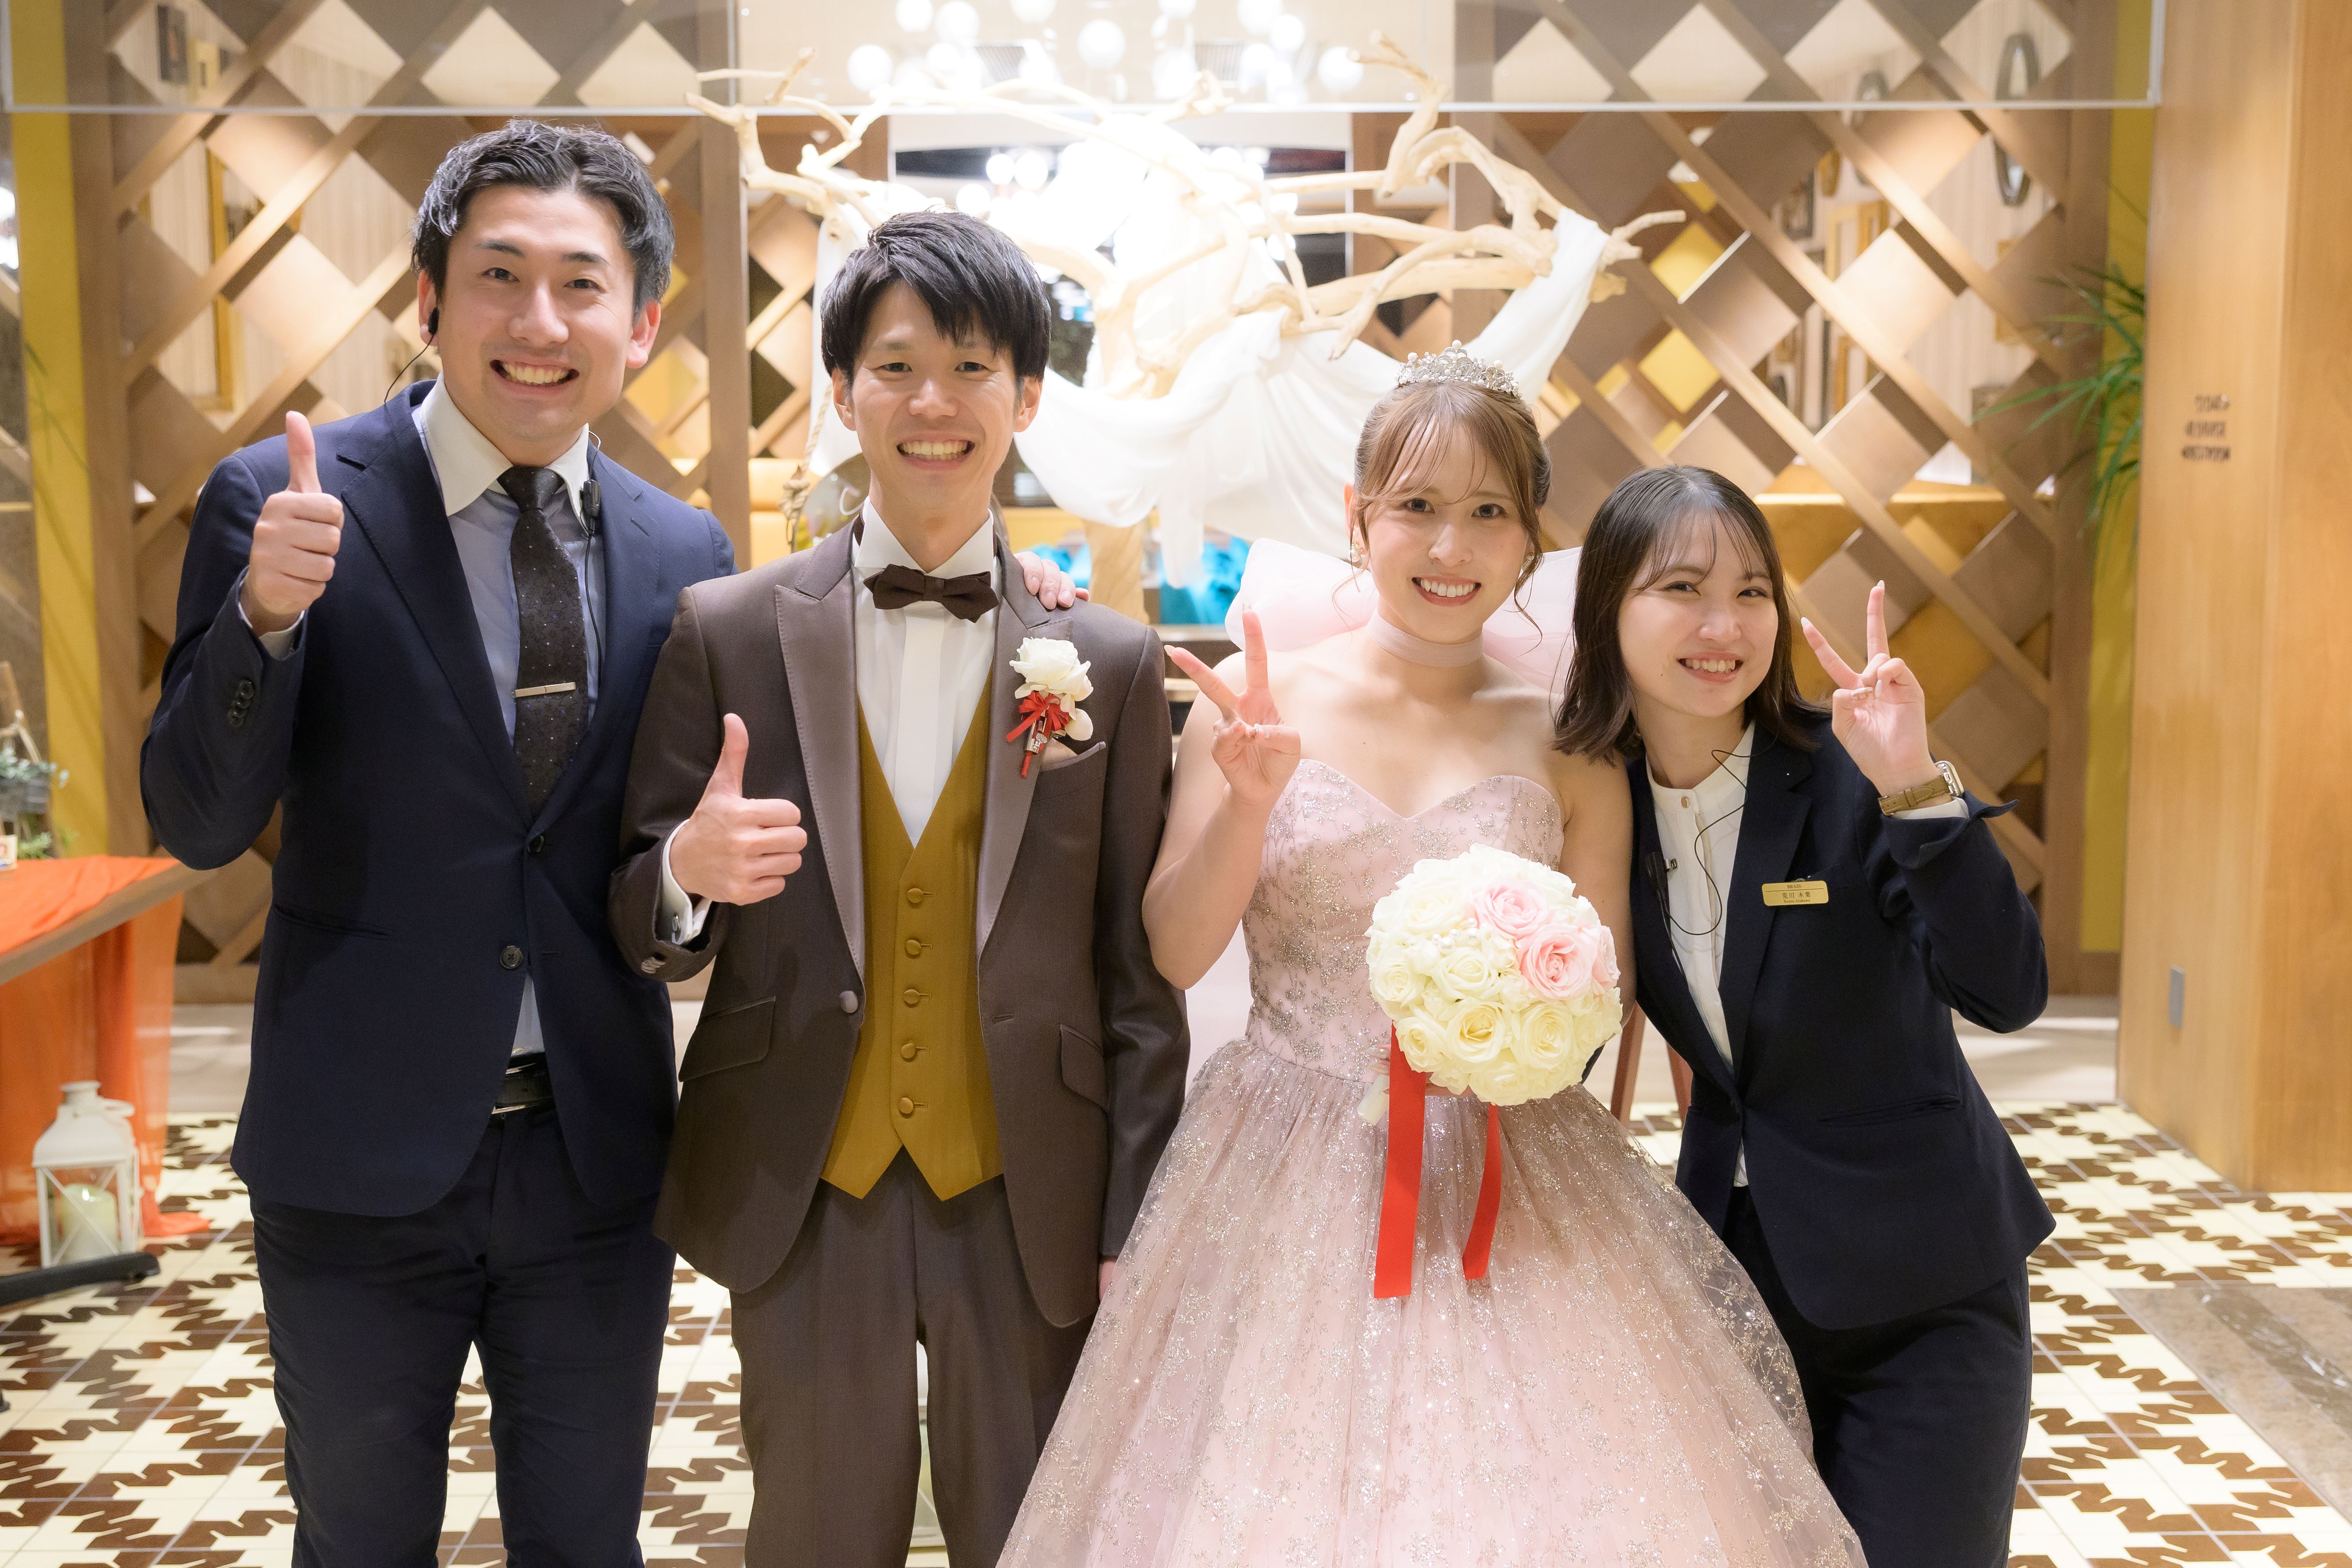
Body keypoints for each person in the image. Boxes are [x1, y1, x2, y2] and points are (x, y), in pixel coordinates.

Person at [998, 348, 1863, 1565]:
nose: (1451, 546)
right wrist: (1247, 801)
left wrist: (1509, 1021)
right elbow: (1178, 953)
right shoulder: (1253, 702)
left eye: (1489, 511)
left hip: (1507, 1159)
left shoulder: (1569, 742)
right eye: (1416, 505)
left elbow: (1603, 993)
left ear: (1528, 541)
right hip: (1280, 1157)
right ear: (1357, 518)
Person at [607, 209, 1188, 1568]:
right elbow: (637, 909)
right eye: (898, 366)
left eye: (974, 368)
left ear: (1027, 397)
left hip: (1032, 1185)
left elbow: (1136, 978)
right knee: (813, 1534)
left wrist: (1133, 1214)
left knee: (1040, 1535)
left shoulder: (1107, 659)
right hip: (806, 1178)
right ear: (843, 389)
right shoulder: (729, 629)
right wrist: (686, 872)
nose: (935, 403)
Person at [1554, 465, 2053, 1568]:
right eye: (1681, 589)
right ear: (1606, 609)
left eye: (1750, 592)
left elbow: (2006, 991)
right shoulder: (1593, 800)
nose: (1723, 625)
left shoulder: (1850, 767)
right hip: (1733, 1284)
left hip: (1924, 1281)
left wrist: (1914, 784)